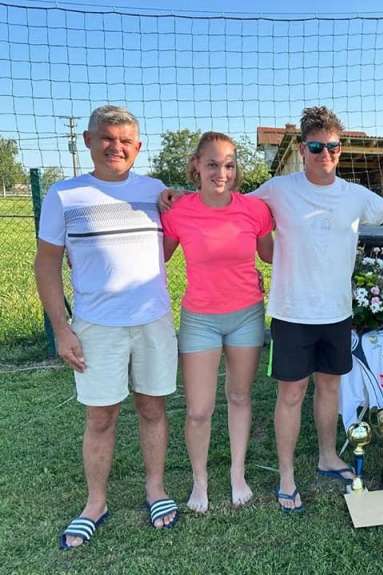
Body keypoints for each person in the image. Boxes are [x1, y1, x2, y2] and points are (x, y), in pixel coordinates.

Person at [253, 106, 383, 511]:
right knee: (291, 395)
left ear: (340, 149)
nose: (325, 154)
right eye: (316, 147)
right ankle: (287, 475)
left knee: (330, 387)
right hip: (292, 313)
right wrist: (173, 201)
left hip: (337, 314)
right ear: (302, 148)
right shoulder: (278, 188)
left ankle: (328, 456)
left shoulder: (354, 195)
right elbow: (240, 213)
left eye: (333, 146)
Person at [34, 105, 179, 550]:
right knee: (101, 417)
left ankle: (155, 490)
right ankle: (95, 503)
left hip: (153, 322)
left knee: (153, 410)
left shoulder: (155, 190)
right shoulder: (64, 195)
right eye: (107, 138)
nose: (116, 147)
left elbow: (167, 248)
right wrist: (62, 329)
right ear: (89, 141)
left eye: (125, 141)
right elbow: (46, 265)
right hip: (97, 327)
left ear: (138, 147)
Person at [160, 132, 274, 513]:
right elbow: (152, 258)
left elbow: (273, 255)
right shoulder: (178, 212)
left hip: (247, 315)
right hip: (199, 319)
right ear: (196, 166)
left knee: (240, 397)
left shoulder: (254, 210)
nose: (221, 172)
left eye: (228, 164)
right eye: (212, 164)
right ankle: (200, 481)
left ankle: (237, 473)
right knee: (198, 409)